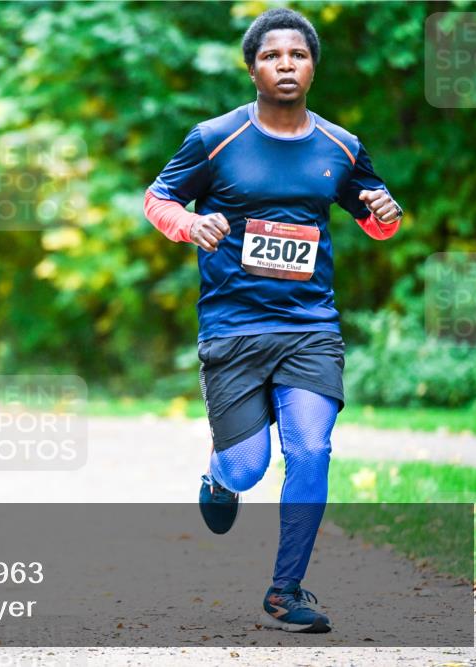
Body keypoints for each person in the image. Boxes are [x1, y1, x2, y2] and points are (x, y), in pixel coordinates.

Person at [143, 8, 402, 633]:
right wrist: (189, 223)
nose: (286, 64)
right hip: (232, 327)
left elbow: (375, 217)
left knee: (311, 449)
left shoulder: (340, 146)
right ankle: (220, 475)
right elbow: (158, 197)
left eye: (298, 55)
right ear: (252, 67)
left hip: (310, 326)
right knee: (250, 466)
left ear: (313, 66)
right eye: (271, 55)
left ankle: (286, 591)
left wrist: (386, 214)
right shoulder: (216, 138)